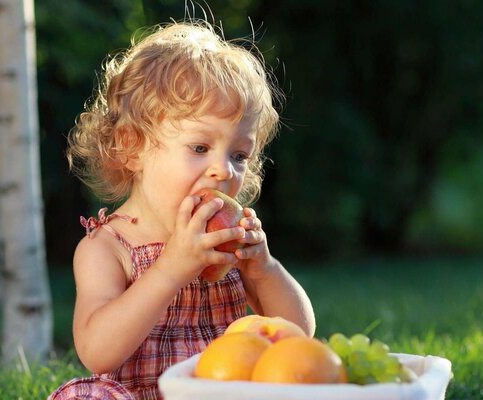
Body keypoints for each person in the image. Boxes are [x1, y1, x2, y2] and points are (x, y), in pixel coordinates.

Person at [48, 19, 315, 400]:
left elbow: (299, 337)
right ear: (132, 147)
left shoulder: (229, 242)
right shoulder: (107, 247)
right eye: (200, 148)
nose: (224, 169)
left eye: (239, 155)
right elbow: (97, 353)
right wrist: (171, 269)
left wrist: (264, 269)